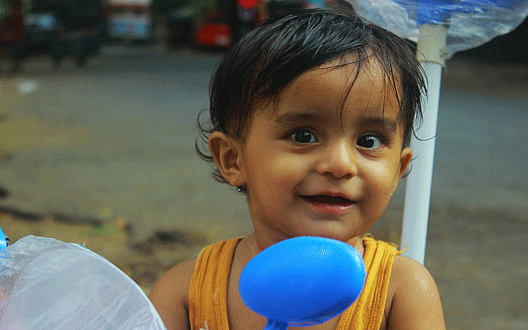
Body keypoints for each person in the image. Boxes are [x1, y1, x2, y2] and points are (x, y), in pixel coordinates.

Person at [150, 9, 446, 330]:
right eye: (303, 136)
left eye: (369, 140)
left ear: (398, 170)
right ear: (233, 160)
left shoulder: (402, 290)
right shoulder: (184, 292)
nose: (341, 165)